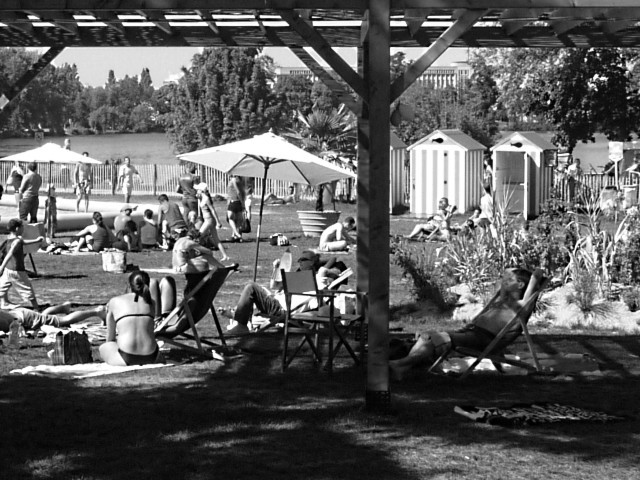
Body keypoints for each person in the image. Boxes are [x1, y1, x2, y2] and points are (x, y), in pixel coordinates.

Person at [389, 268, 545, 381]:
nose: (503, 282)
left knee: (431, 337)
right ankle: (407, 366)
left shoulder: (521, 306)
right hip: (471, 333)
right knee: (427, 335)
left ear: (520, 286)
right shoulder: (503, 302)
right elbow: (503, 287)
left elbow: (531, 290)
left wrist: (535, 278)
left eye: (509, 280)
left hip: (481, 339)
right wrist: (509, 275)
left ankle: (401, 365)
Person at [225, 250, 346, 335]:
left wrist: (320, 263)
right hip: (277, 301)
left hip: (282, 309)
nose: (299, 261)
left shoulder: (318, 278)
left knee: (250, 287)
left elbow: (329, 263)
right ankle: (239, 317)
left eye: (303, 259)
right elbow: (274, 286)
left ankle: (240, 324)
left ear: (312, 262)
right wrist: (275, 268)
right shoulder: (296, 277)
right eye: (299, 259)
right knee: (254, 288)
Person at [99, 271, 164, 366]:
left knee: (104, 347)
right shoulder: (152, 303)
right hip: (152, 356)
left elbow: (110, 338)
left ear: (129, 285)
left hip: (126, 357)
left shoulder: (114, 301)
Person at [0, 219, 44, 309]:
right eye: (22, 227)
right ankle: (36, 308)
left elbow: (23, 242)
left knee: (2, 286)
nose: (23, 229)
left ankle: (4, 303)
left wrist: (36, 240)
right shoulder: (17, 241)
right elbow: (10, 254)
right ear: (17, 228)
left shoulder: (11, 238)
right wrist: (1, 267)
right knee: (27, 288)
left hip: (8, 269)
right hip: (17, 270)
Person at [0, 302, 106, 332]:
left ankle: (97, 311)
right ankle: (63, 307)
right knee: (43, 317)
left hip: (25, 318)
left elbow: (7, 324)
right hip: (20, 314)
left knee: (63, 321)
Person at [194, 183, 229, 261]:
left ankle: (200, 253)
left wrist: (218, 221)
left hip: (209, 220)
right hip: (208, 219)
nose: (197, 191)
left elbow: (213, 210)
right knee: (216, 239)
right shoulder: (201, 198)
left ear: (201, 190)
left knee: (198, 236)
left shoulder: (206, 198)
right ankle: (225, 255)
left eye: (198, 189)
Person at [226, 175, 246, 242]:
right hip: (238, 202)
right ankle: (234, 236)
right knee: (237, 221)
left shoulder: (234, 180)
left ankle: (237, 234)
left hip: (234, 201)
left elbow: (238, 192)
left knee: (230, 218)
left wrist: (242, 202)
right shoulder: (239, 180)